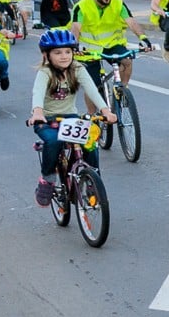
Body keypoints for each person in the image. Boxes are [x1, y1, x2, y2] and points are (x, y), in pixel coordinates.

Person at [28, 28, 116, 207]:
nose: (64, 56)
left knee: (90, 143)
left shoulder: (77, 69)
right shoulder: (45, 72)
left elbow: (92, 90)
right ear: (47, 55)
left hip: (70, 117)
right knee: (53, 141)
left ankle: (93, 180)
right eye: (58, 52)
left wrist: (106, 111)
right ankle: (48, 179)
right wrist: (37, 112)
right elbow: (37, 92)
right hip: (46, 119)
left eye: (68, 51)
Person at [70, 0, 152, 110]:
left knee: (126, 61)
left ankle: (122, 91)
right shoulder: (81, 6)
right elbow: (75, 28)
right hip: (89, 50)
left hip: (112, 45)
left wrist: (143, 39)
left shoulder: (119, 4)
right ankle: (93, 117)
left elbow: (131, 22)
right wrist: (74, 46)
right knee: (92, 86)